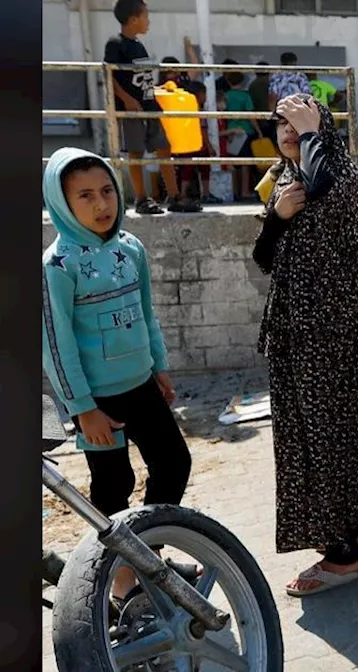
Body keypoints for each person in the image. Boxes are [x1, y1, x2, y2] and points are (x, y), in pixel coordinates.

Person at [41, 147, 195, 601]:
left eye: (107, 190)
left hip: (143, 386)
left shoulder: (132, 249)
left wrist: (159, 365)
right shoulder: (58, 265)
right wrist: (82, 409)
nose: (102, 204)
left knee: (174, 464)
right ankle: (123, 581)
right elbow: (56, 343)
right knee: (114, 486)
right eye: (85, 195)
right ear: (61, 203)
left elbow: (147, 314)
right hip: (99, 403)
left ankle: (146, 555)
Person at [251, 94, 358, 597]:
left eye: (299, 120)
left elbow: (326, 184)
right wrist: (278, 216)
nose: (287, 128)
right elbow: (265, 258)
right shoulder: (286, 181)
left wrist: (311, 136)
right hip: (292, 332)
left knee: (322, 441)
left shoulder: (339, 174)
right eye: (282, 121)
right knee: (323, 436)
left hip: (322, 334)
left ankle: (339, 555)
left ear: (321, 127)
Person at [104, 0, 202, 214]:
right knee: (136, 152)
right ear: (133, 19)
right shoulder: (116, 44)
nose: (149, 21)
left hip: (150, 104)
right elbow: (109, 73)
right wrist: (126, 98)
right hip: (132, 109)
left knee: (164, 147)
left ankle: (174, 196)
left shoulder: (139, 45)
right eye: (146, 16)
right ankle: (141, 199)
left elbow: (141, 77)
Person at [224, 69, 264, 201]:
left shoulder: (226, 95)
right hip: (245, 132)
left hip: (230, 133)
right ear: (243, 82)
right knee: (246, 163)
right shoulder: (245, 96)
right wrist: (259, 132)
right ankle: (245, 191)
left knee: (234, 164)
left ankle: (234, 191)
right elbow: (251, 116)